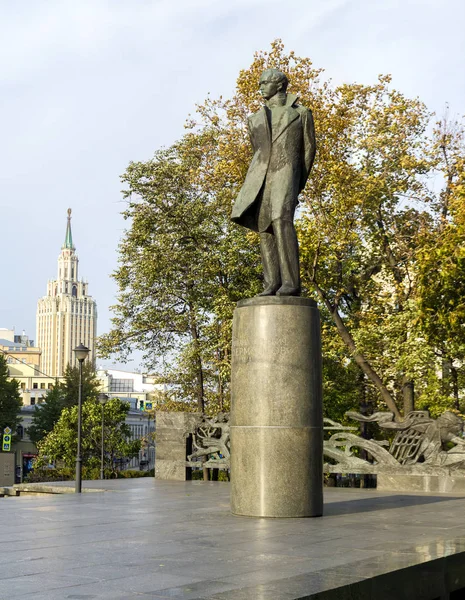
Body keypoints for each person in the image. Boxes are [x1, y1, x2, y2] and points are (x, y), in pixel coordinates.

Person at [231, 68, 316, 296]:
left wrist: (297, 181)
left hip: (287, 170)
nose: (260, 87)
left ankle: (291, 283)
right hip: (261, 176)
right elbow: (258, 152)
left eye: (264, 83)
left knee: (281, 219)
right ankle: (271, 283)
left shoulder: (302, 113)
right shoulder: (255, 119)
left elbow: (308, 151)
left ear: (278, 85)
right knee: (264, 225)